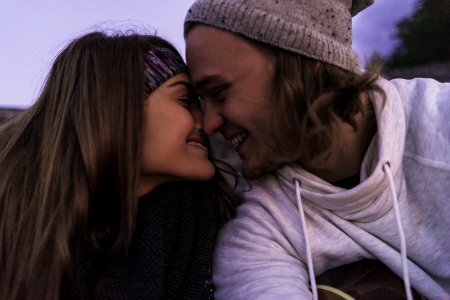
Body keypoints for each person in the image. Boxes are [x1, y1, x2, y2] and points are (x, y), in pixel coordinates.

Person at [183, 0, 450, 299]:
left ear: (303, 61)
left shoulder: (442, 125)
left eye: (219, 92)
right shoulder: (260, 231)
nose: (208, 124)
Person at [0, 31, 241, 300]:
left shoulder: (216, 230)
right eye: (186, 101)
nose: (207, 122)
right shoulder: (14, 231)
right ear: (119, 107)